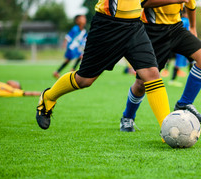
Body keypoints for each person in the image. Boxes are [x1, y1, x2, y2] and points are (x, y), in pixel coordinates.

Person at [36, 0, 190, 131]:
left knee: (151, 74)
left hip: (134, 27)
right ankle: (48, 97)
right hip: (107, 26)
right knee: (84, 80)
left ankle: (169, 129)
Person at [119, 1, 201, 132]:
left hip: (177, 29)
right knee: (141, 84)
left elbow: (191, 5)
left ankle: (184, 103)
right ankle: (127, 117)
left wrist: (192, 27)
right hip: (152, 32)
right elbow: (143, 2)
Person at [53, 15, 88, 79]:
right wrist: (64, 44)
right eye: (82, 18)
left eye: (84, 18)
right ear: (77, 21)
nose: (84, 19)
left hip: (77, 48)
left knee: (70, 60)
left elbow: (84, 39)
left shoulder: (84, 31)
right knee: (79, 56)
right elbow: (68, 36)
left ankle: (57, 72)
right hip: (72, 47)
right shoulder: (75, 28)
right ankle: (72, 69)